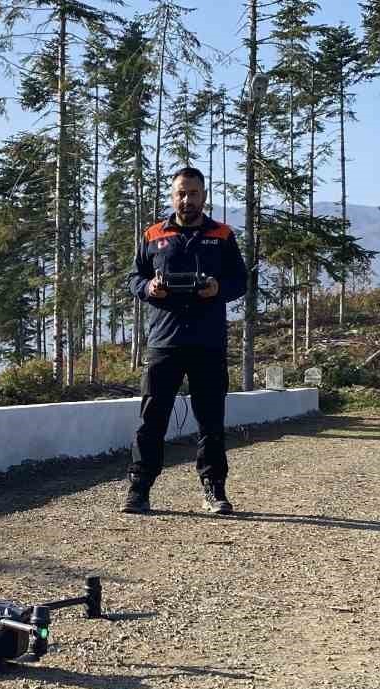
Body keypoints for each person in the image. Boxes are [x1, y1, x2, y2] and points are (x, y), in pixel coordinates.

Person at [121, 166, 248, 515]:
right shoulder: (153, 234)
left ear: (204, 196)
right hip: (165, 341)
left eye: (193, 193)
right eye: (180, 193)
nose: (186, 199)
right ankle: (139, 488)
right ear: (172, 195)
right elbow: (134, 277)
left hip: (208, 342)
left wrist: (218, 288)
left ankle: (213, 490)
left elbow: (240, 280)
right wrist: (149, 288)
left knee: (210, 421)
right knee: (152, 418)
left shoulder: (222, 235)